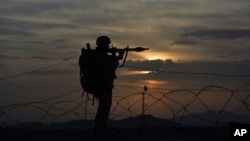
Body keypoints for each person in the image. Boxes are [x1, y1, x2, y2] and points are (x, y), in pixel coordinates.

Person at [93, 36, 123, 136]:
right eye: (107, 45)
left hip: (104, 84)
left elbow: (111, 61)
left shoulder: (101, 56)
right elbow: (111, 66)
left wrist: (116, 56)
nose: (108, 46)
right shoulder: (100, 57)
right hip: (103, 85)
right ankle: (99, 128)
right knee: (104, 106)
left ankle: (101, 127)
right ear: (103, 45)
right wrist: (115, 56)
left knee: (104, 106)